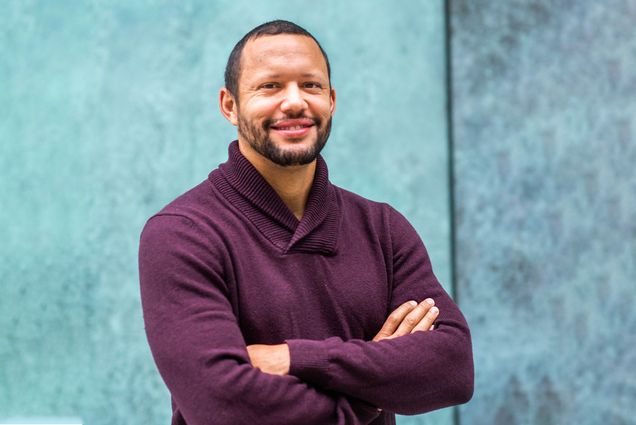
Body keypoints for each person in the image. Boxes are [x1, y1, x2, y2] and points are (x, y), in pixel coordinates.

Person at [138, 20, 473, 425]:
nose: (294, 102)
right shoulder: (182, 233)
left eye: (310, 86)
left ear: (331, 100)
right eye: (270, 86)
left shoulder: (383, 229)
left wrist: (292, 358)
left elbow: (451, 367)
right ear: (230, 106)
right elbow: (222, 406)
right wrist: (366, 400)